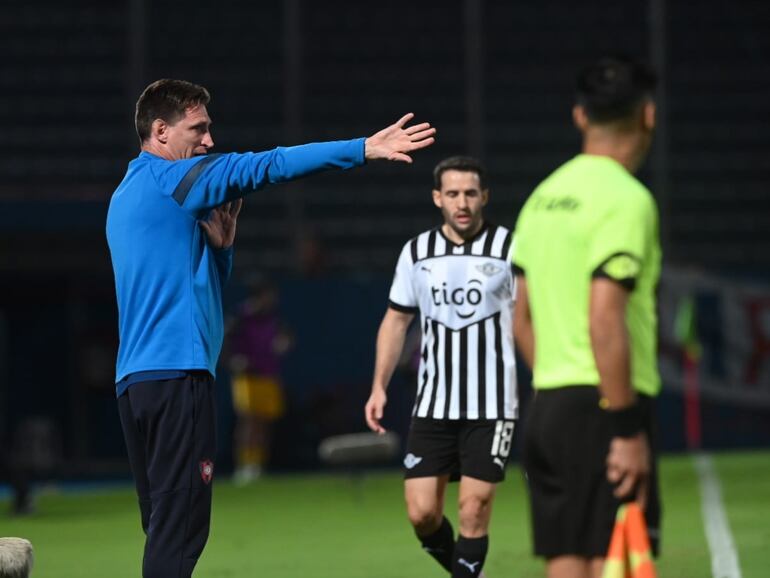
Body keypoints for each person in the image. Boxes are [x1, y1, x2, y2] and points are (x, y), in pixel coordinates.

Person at [106, 78, 435, 578]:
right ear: (160, 131)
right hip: (177, 376)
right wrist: (363, 149)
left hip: (136, 384)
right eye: (199, 129)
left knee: (164, 525)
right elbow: (269, 164)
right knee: (181, 531)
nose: (209, 142)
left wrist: (221, 252)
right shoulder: (176, 181)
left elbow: (186, 288)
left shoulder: (127, 193)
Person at [511, 56, 662, 578]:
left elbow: (519, 318)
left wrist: (554, 380)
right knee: (613, 557)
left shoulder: (542, 198)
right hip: (605, 406)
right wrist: (624, 428)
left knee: (566, 558)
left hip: (549, 406)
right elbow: (605, 317)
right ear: (648, 115)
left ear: (580, 116)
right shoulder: (628, 199)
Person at [365, 156, 517, 578]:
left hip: (492, 404)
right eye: (452, 194)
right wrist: (380, 386)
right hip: (433, 405)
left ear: (484, 196)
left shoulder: (511, 248)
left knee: (473, 508)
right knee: (422, 514)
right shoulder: (416, 252)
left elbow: (532, 319)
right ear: (438, 198)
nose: (462, 202)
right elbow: (396, 321)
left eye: (470, 193)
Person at [226, 277, 291, 483]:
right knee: (248, 421)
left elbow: (286, 337)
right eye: (269, 295)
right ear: (260, 295)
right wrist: (232, 361)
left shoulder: (274, 317)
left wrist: (284, 343)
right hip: (247, 376)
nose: (273, 299)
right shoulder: (241, 316)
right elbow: (225, 340)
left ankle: (258, 465)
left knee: (264, 422)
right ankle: (244, 465)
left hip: (268, 375)